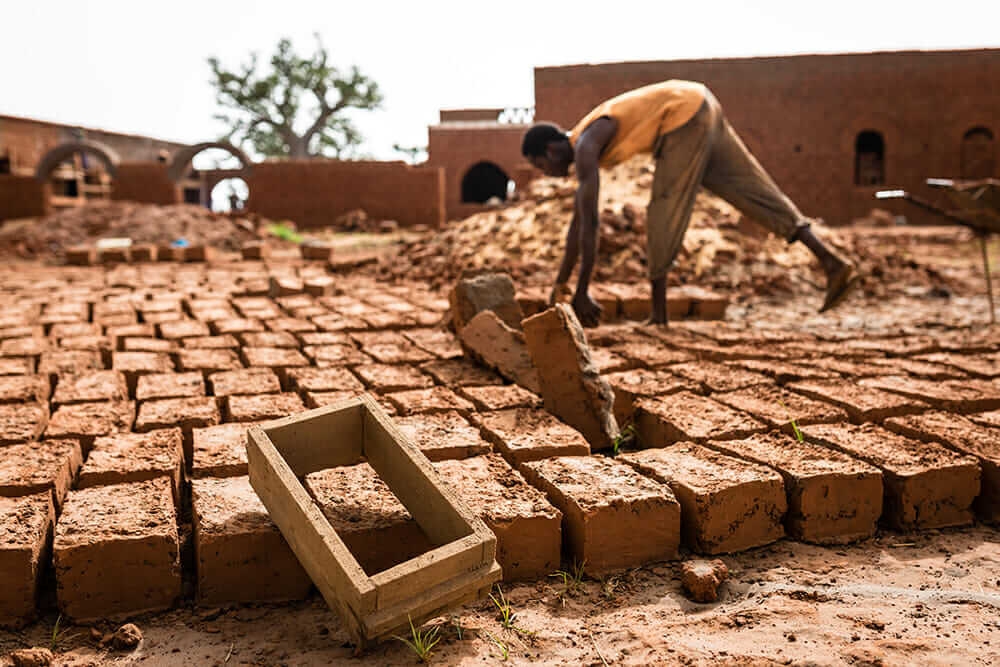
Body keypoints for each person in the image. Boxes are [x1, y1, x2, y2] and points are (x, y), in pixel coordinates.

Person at [521, 79, 859, 327]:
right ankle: (831, 261)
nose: (546, 174)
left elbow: (589, 223)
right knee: (751, 190)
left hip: (682, 117)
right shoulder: (589, 137)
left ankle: (659, 316)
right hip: (703, 104)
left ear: (550, 151)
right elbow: (578, 223)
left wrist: (581, 291)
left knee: (665, 207)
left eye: (540, 166)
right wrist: (561, 286)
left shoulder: (585, 145)